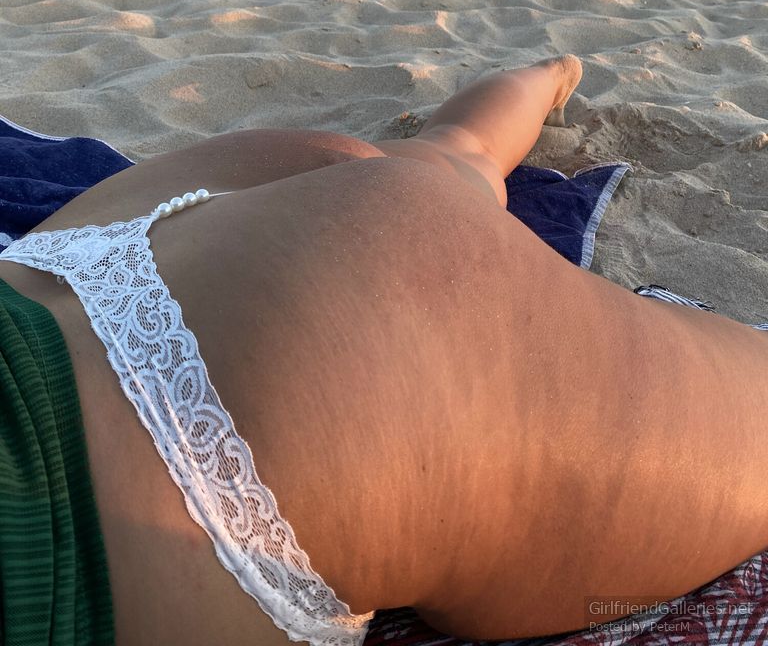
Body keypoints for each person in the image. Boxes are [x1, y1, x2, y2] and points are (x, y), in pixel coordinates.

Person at [1, 56, 768, 645]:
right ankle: (549, 73)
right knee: (451, 152)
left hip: (293, 380)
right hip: (68, 277)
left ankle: (546, 75)